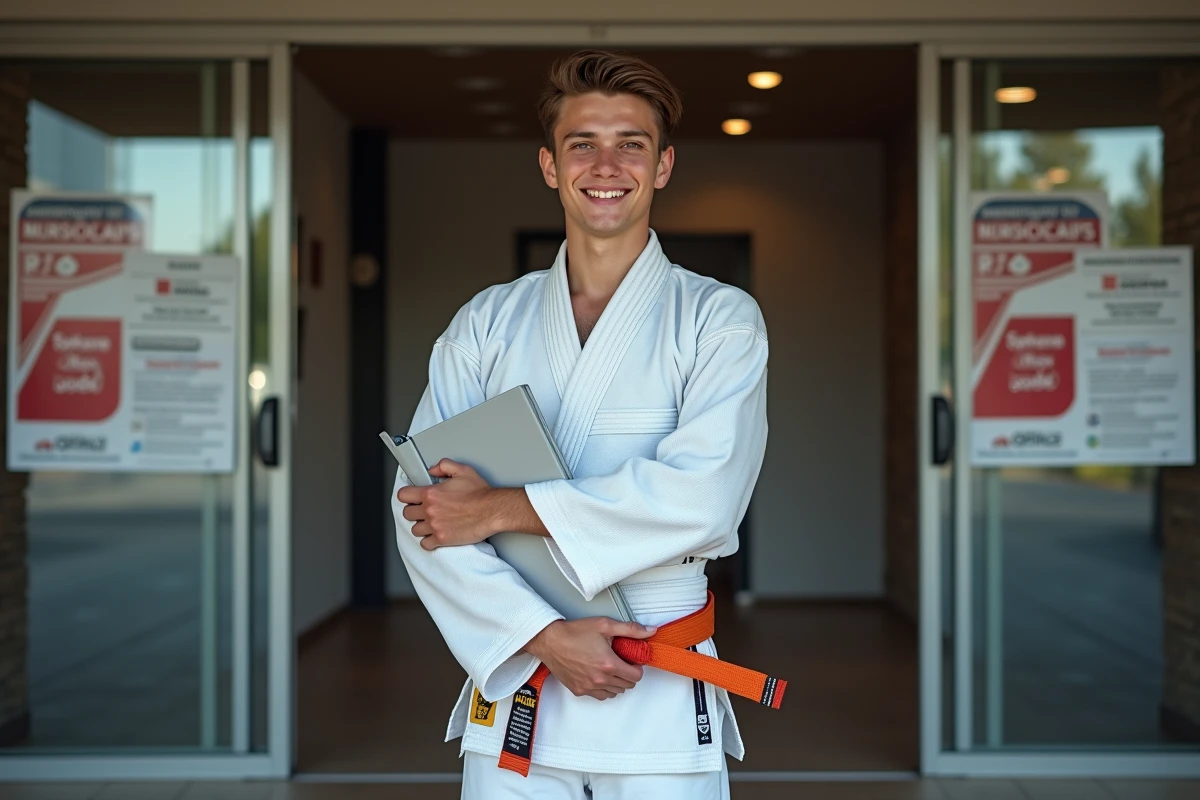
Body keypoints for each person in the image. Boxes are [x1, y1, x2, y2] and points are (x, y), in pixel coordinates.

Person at [392, 49, 770, 800]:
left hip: (656, 680)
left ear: (662, 165)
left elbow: (703, 499)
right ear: (548, 165)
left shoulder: (716, 319)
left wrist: (498, 508)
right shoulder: (486, 324)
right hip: (523, 683)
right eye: (582, 143)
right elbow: (424, 511)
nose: (607, 163)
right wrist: (540, 637)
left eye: (631, 142)